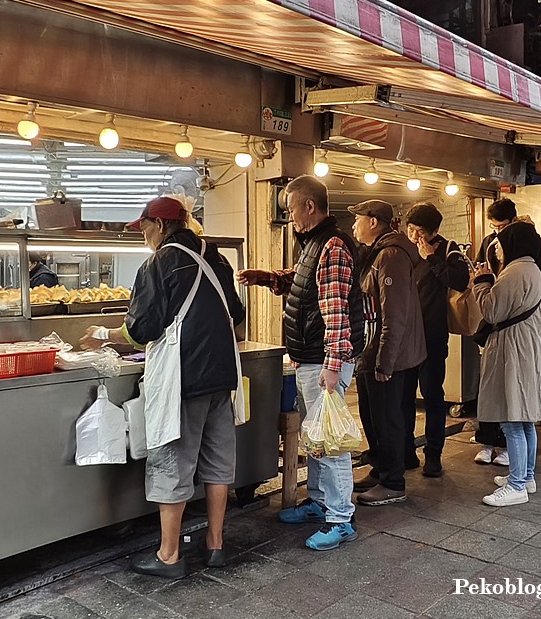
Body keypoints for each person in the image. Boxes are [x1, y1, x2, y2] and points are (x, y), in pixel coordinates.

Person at [80, 196, 245, 579]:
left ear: (158, 224)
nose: (144, 237)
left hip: (183, 379)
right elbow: (236, 312)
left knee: (173, 460)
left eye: (145, 229)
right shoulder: (215, 257)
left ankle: (169, 555)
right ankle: (216, 544)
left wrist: (105, 334)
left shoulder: (159, 263)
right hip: (222, 375)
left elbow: (141, 331)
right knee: (219, 461)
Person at [238, 176, 365, 550]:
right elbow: (306, 280)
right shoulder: (316, 244)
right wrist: (270, 279)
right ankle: (319, 503)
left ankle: (341, 519)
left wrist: (333, 362)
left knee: (330, 439)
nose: (288, 215)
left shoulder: (334, 246)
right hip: (312, 357)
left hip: (325, 360)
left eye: (291, 208)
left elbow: (336, 309)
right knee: (316, 438)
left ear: (310, 206)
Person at [348, 200, 426, 505]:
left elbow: (394, 314)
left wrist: (385, 360)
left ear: (373, 221)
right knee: (372, 415)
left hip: (388, 354)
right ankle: (381, 468)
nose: (354, 225)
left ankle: (393, 482)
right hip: (373, 352)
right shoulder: (377, 253)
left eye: (358, 219)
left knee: (387, 418)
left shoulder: (391, 256)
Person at [471, 222, 541, 506]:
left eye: (501, 243)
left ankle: (516, 485)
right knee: (525, 419)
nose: (498, 249)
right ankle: (526, 476)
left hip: (512, 353)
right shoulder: (531, 269)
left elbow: (492, 311)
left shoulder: (514, 272)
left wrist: (481, 282)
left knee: (512, 419)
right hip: (526, 351)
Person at [404, 203, 470, 477]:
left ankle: (434, 455)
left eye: (418, 231)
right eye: (410, 229)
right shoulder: (403, 249)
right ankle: (406, 452)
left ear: (433, 232)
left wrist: (432, 258)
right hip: (406, 335)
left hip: (432, 335)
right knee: (404, 396)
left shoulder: (446, 249)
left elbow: (460, 280)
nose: (413, 236)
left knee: (432, 396)